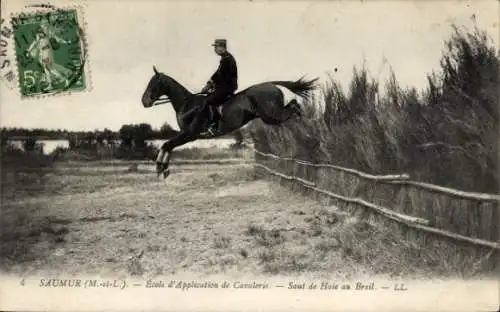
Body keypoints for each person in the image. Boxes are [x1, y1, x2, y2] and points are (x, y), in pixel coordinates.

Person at [200, 39, 238, 135]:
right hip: (225, 87)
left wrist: (211, 86)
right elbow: (217, 73)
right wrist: (209, 83)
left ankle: (214, 127)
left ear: (222, 47)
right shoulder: (225, 58)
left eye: (216, 47)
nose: (215, 50)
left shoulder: (227, 59)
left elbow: (223, 76)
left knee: (209, 101)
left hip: (227, 88)